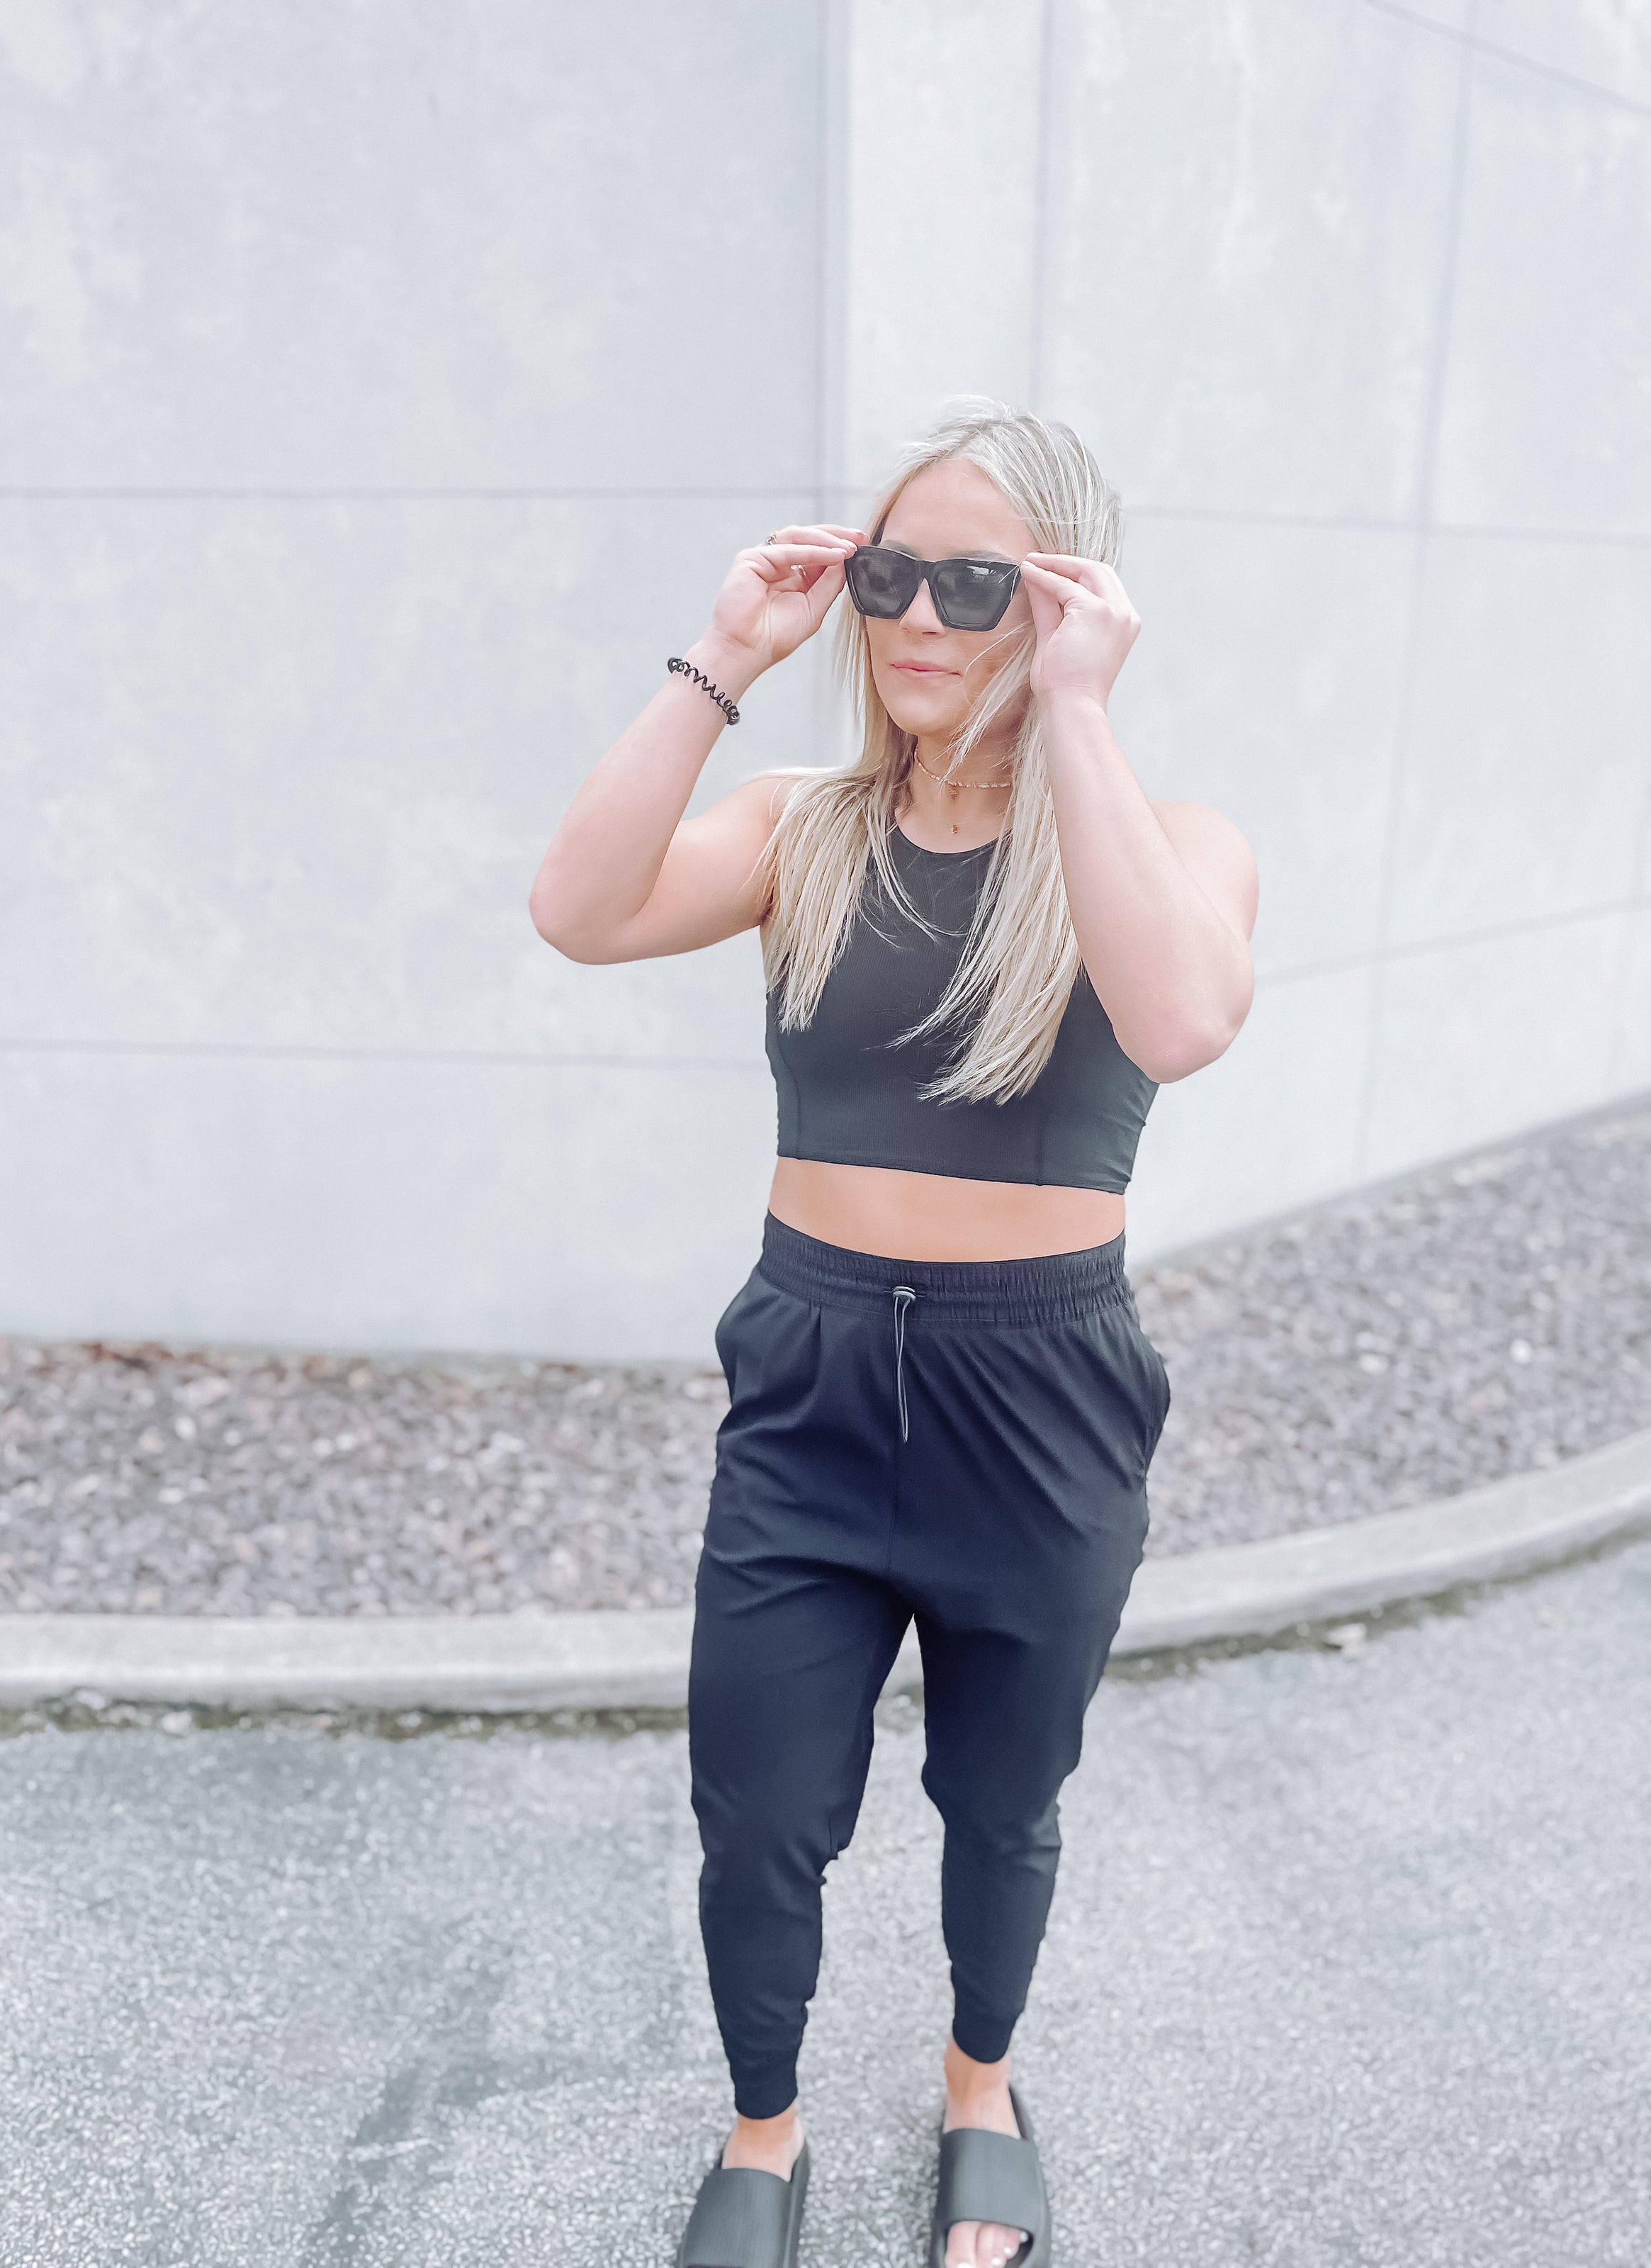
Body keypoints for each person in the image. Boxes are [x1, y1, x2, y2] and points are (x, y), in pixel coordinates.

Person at [529, 398, 1258, 2268]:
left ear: (1068, 599)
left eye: (978, 584)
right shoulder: (808, 830)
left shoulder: (1171, 843)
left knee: (1006, 1805)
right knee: (760, 1810)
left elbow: (1181, 1022)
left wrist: (1076, 713)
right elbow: (579, 910)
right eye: (889, 575)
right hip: (815, 1380)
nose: (922, 617)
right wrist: (724, 656)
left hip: (1044, 1399)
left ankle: (980, 2092)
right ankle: (763, 2131)